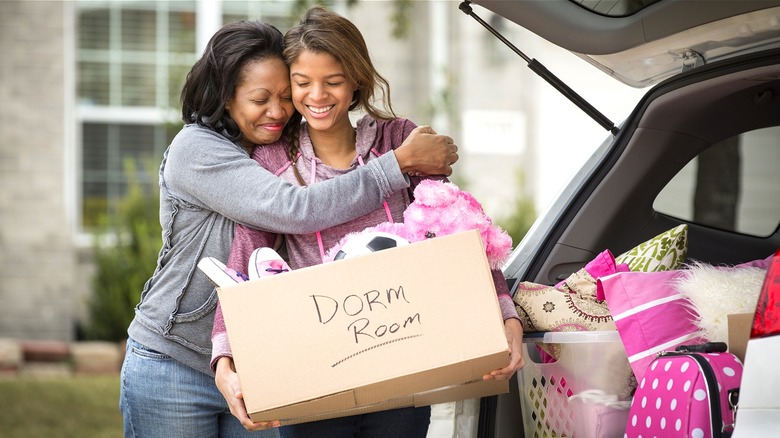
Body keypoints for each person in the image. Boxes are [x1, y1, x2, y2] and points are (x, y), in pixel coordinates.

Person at [119, 19, 458, 438]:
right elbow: (294, 209)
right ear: (225, 99)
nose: (278, 111)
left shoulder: (277, 149)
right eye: (260, 99)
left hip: (258, 363)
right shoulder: (197, 149)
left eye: (284, 96)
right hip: (176, 363)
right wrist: (398, 164)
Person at [210, 7, 524, 436]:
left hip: (406, 366)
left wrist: (505, 317)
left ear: (357, 79)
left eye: (334, 82)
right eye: (302, 83)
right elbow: (244, 257)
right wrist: (224, 359)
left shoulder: (398, 141)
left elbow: (460, 227)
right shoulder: (273, 161)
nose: (317, 96)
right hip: (316, 378)